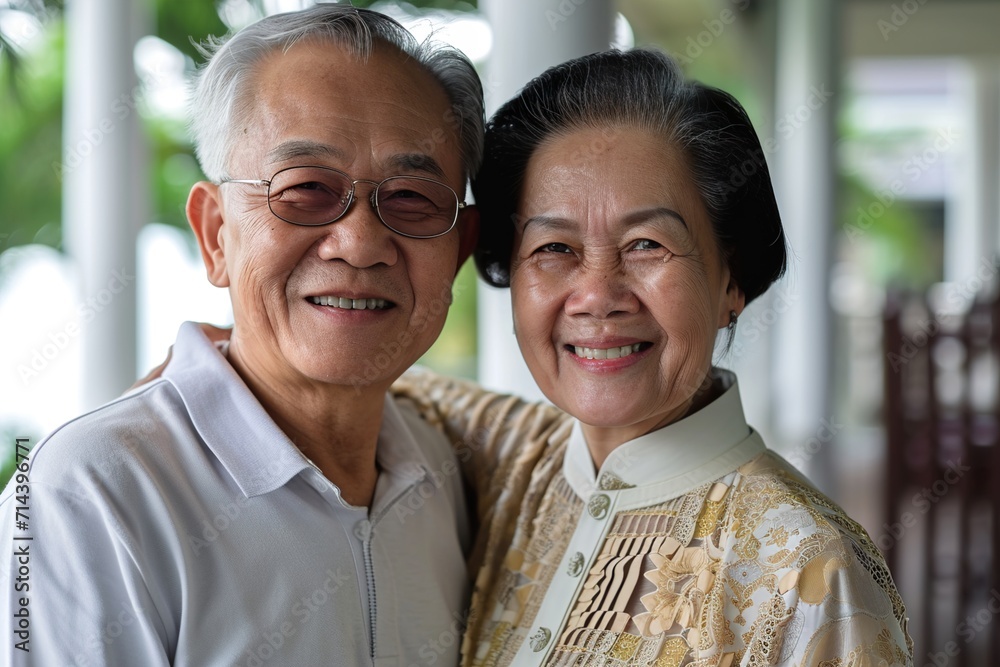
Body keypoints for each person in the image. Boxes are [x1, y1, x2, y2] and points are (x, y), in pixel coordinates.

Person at [393, 49, 913, 665]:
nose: (597, 296)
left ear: (731, 280)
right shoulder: (511, 463)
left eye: (647, 244)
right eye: (554, 246)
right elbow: (367, 385)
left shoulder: (812, 573)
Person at [0, 5, 482, 665]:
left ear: (459, 250)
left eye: (411, 199)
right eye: (307, 188)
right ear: (216, 234)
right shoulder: (91, 494)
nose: (362, 243)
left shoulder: (450, 472)